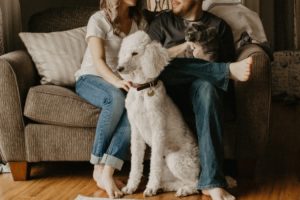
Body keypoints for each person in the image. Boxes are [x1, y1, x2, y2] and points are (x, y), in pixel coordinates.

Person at [147, 0, 252, 200]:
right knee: (159, 66)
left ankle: (211, 183)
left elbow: (227, 86)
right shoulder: (161, 24)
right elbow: (147, 63)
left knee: (208, 87)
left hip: (203, 94)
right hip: (169, 93)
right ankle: (221, 71)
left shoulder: (218, 27)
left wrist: (207, 63)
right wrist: (180, 51)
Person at [74, 0, 146, 198]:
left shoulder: (138, 21)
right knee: (115, 99)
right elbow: (98, 61)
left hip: (122, 80)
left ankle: (108, 172)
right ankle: (97, 167)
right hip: (91, 78)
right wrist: (116, 81)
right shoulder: (98, 20)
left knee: (136, 111)